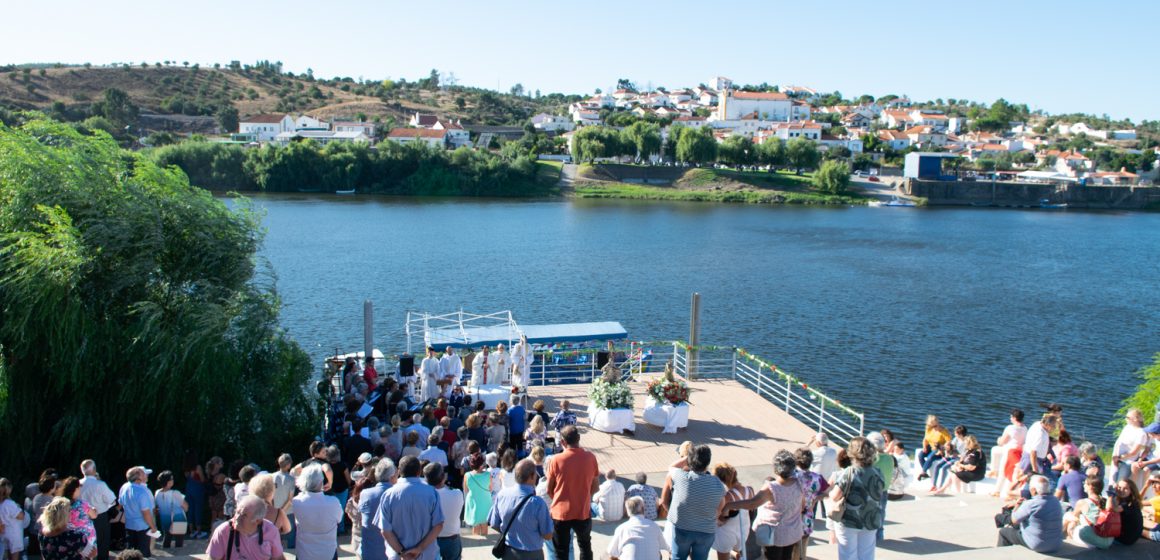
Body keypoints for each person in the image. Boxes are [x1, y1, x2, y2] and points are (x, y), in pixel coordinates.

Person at [726, 451, 802, 560]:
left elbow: (752, 503)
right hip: (792, 533)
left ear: (776, 468)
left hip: (774, 535)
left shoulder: (771, 488)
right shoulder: (799, 483)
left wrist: (729, 505)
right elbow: (802, 505)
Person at [545, 425, 600, 560]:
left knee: (561, 550)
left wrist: (559, 497)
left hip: (561, 512)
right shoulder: (590, 457)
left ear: (563, 442)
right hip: (582, 510)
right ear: (579, 438)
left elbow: (549, 489)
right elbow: (596, 486)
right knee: (585, 546)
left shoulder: (556, 460)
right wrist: (584, 496)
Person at [374, 456, 444, 560]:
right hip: (427, 555)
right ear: (419, 472)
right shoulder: (431, 493)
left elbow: (385, 530)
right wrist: (419, 549)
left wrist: (402, 553)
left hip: (398, 556)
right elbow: (438, 525)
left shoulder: (388, 495)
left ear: (398, 471)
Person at [663, 445, 725, 560]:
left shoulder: (680, 476)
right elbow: (721, 505)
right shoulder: (717, 484)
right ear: (707, 463)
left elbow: (671, 467)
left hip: (682, 528)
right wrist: (714, 515)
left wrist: (689, 457)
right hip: (706, 531)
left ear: (690, 461)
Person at [829, 437, 885, 560]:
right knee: (867, 555)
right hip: (871, 518)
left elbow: (835, 496)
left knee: (848, 554)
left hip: (849, 519)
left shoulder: (849, 472)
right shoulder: (878, 472)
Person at [489, 459, 553, 560]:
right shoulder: (538, 503)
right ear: (532, 476)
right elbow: (547, 535)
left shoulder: (502, 495)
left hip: (508, 552)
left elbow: (493, 523)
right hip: (532, 554)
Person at [997, 474, 1062, 553]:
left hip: (1037, 544)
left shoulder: (1031, 504)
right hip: (1056, 544)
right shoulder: (1056, 501)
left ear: (1034, 490)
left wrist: (1017, 506)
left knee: (1004, 532)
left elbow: (1014, 520)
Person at [206, 495, 285, 560]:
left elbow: (279, 558)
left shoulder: (270, 530)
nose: (237, 518)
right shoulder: (223, 531)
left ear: (258, 521)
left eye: (244, 515)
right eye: (237, 512)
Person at [291, 465, 342, 560]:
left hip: (304, 553)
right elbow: (339, 519)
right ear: (321, 482)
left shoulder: (296, 502)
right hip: (328, 553)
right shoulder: (333, 502)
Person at [710, 463, 752, 560]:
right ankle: (734, 553)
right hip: (743, 532)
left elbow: (720, 519)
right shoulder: (750, 490)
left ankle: (732, 553)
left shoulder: (727, 496)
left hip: (726, 535)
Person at [357, 459, 396, 560]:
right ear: (392, 476)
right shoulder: (397, 495)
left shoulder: (365, 494)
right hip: (390, 552)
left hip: (370, 551)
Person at [793, 448, 828, 559]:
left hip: (791, 516)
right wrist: (814, 498)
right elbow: (827, 493)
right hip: (808, 515)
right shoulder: (817, 478)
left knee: (791, 549)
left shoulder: (791, 476)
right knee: (803, 546)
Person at [1062, 476, 1113, 549]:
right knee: (1079, 517)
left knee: (1068, 516)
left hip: (1093, 541)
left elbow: (1074, 517)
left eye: (1085, 483)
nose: (1083, 485)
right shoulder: (1106, 501)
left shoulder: (1082, 502)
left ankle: (1057, 535)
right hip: (1108, 540)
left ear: (1091, 487)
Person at [118, 466, 158, 558]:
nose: (146, 475)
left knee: (131, 554)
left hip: (129, 525)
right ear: (138, 478)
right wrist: (153, 527)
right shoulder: (142, 491)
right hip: (142, 527)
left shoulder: (124, 487)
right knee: (143, 555)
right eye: (143, 474)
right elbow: (146, 513)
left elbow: (120, 504)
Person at [77, 461, 115, 560]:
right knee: (102, 543)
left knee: (85, 543)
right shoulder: (100, 484)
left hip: (81, 517)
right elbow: (112, 500)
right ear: (94, 470)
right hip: (100, 516)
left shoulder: (77, 484)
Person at [428, 464, 463, 560]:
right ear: (443, 477)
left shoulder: (423, 497)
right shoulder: (457, 493)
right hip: (451, 540)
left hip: (430, 541)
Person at [989, 409, 1026, 498]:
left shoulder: (1010, 428)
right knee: (995, 450)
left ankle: (997, 490)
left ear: (1014, 418)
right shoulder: (1025, 428)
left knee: (1003, 470)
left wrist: (998, 440)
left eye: (1011, 417)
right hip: (1019, 451)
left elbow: (1002, 442)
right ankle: (994, 470)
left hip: (1010, 451)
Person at [153, 471, 188, 549]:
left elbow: (156, 506)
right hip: (179, 519)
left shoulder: (157, 493)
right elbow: (186, 507)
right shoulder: (176, 493)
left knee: (167, 538)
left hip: (165, 519)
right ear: (168, 482)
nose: (173, 480)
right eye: (172, 479)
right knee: (179, 541)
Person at [464, 453, 493, 536]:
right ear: (481, 464)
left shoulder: (467, 475)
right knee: (484, 523)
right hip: (485, 500)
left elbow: (466, 490)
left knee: (475, 523)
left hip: (473, 500)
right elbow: (490, 489)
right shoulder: (488, 475)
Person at [272, 454, 296, 550]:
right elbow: (290, 499)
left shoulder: (271, 477)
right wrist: (283, 511)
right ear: (289, 465)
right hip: (288, 511)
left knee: (276, 532)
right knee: (291, 532)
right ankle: (291, 550)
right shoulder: (291, 479)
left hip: (275, 510)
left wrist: (276, 509)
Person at [917, 415, 951, 481]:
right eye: (932, 426)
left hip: (939, 448)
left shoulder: (943, 431)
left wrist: (942, 448)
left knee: (930, 457)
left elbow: (948, 442)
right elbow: (925, 439)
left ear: (938, 423)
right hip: (930, 446)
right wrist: (924, 447)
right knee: (920, 455)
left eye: (935, 426)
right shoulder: (929, 429)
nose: (934, 428)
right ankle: (925, 470)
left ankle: (923, 472)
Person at [0, 478, 27, 560]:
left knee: (7, 555)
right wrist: (19, 508)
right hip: (13, 533)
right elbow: (21, 516)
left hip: (3, 532)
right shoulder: (10, 504)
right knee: (14, 556)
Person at [1113, 479, 1143, 546]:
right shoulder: (1131, 500)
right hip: (1132, 537)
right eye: (1119, 487)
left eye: (1125, 488)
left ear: (1131, 491)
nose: (1121, 490)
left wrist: (1110, 496)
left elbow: (1114, 509)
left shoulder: (1129, 503)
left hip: (1126, 539)